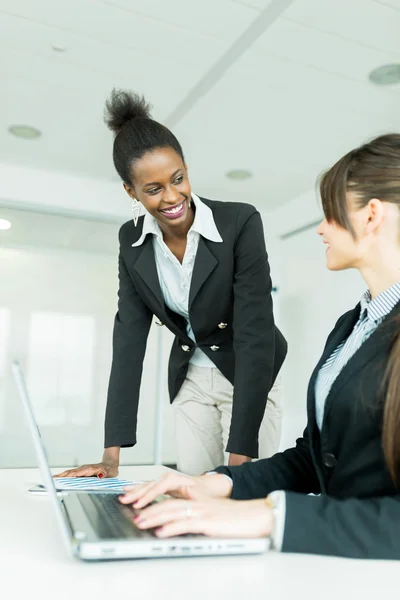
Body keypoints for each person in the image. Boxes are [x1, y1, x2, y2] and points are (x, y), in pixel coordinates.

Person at [119, 133, 400, 560]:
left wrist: (268, 516)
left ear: (371, 216)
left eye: (331, 213)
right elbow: (314, 457)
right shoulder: (352, 326)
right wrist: (218, 483)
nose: (322, 228)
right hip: (336, 562)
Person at [57, 89, 287, 478]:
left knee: (242, 494)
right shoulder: (130, 243)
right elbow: (128, 339)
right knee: (194, 491)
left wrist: (240, 456)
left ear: (185, 168)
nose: (173, 197)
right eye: (153, 189)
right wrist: (110, 456)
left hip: (249, 373)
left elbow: (255, 332)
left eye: (178, 179)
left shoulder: (240, 223)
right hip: (190, 381)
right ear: (131, 191)